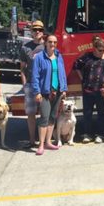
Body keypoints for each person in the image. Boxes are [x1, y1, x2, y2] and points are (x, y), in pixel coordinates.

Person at [73, 36, 104, 144]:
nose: (102, 52)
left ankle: (101, 135)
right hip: (88, 89)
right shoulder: (87, 57)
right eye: (100, 50)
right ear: (94, 48)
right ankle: (87, 134)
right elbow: (76, 66)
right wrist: (82, 78)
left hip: (102, 91)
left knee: (101, 113)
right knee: (87, 113)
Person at [31, 34, 67, 155]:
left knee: (52, 118)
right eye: (50, 42)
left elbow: (62, 73)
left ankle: (48, 142)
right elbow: (35, 76)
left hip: (57, 92)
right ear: (45, 43)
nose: (52, 44)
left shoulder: (58, 56)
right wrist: (37, 92)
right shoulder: (39, 58)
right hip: (44, 93)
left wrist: (64, 89)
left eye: (55, 42)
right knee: (44, 118)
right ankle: (41, 145)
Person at [19, 20, 45, 149]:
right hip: (30, 84)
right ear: (31, 32)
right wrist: (24, 84)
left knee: (45, 113)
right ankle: (31, 140)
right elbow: (22, 68)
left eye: (39, 30)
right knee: (31, 114)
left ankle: (43, 140)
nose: (37, 32)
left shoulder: (47, 46)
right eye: (35, 30)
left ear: (43, 32)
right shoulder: (25, 48)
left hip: (44, 85)